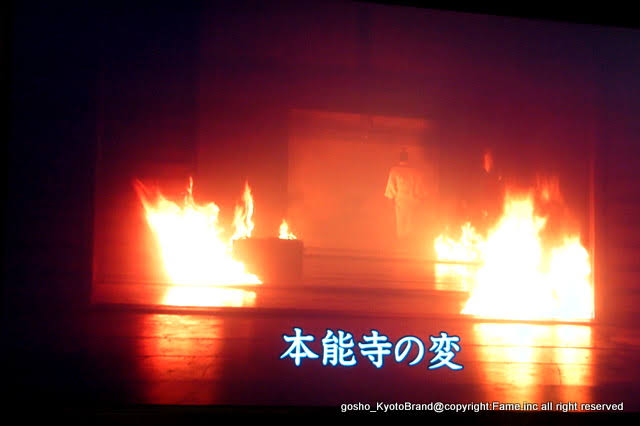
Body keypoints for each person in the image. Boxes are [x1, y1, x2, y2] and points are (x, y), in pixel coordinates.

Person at [385, 150, 429, 247]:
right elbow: (420, 191)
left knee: (401, 226)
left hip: (401, 202)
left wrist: (389, 204)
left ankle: (403, 246)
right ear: (408, 159)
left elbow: (390, 189)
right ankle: (408, 246)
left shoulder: (395, 171)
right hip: (412, 203)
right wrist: (422, 203)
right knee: (410, 225)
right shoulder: (415, 172)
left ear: (399, 159)